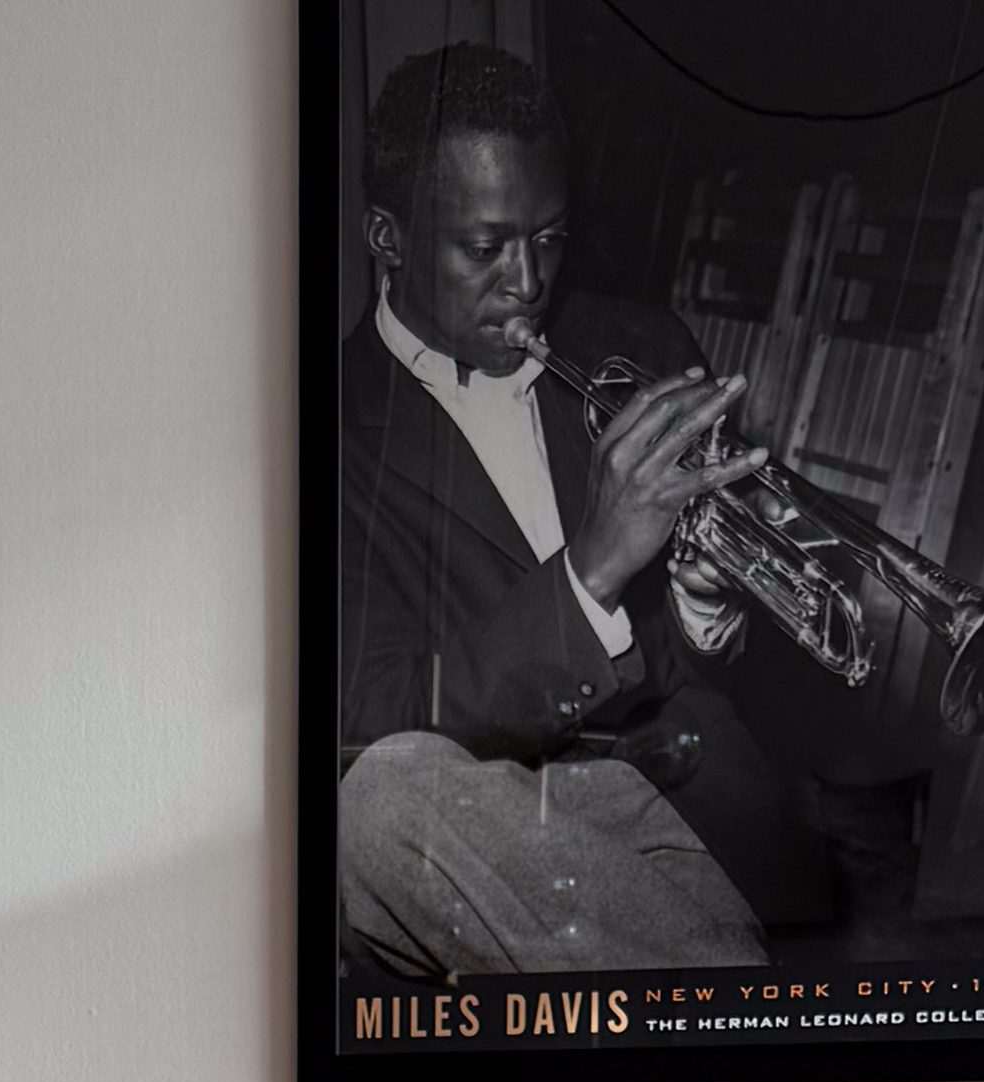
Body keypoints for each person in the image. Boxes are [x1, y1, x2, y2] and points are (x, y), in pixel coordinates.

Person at [334, 45, 818, 980]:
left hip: (684, 812)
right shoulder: (326, 433)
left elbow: (701, 681)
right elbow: (371, 723)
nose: (527, 282)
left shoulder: (638, 345)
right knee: (377, 804)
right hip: (480, 843)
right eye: (485, 247)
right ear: (387, 239)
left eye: (550, 238)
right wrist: (591, 575)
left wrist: (702, 603)